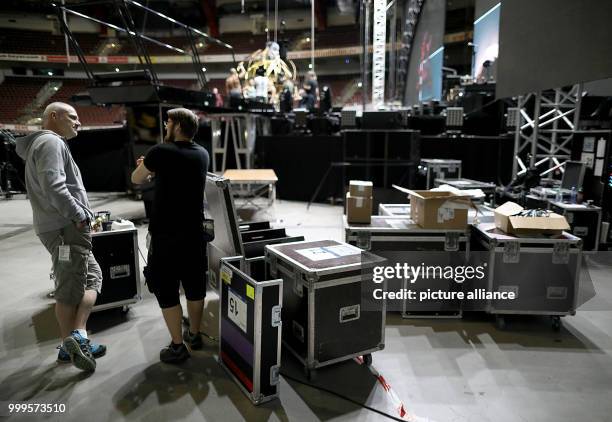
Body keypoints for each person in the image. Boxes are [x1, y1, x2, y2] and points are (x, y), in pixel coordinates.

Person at [15, 102, 104, 373]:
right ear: (53, 117)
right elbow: (55, 187)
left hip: (62, 227)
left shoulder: (45, 144)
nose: (78, 122)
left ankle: (78, 336)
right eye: (73, 117)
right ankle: (70, 345)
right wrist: (79, 215)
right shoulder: (50, 143)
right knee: (69, 288)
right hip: (65, 228)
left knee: (92, 276)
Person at [131, 108, 210, 364]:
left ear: (176, 125)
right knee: (195, 287)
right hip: (195, 234)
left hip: (166, 236)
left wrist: (146, 167)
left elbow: (136, 179)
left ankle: (178, 346)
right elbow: (178, 174)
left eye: (168, 122)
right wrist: (155, 169)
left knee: (167, 290)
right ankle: (195, 335)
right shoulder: (202, 154)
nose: (166, 126)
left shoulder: (160, 152)